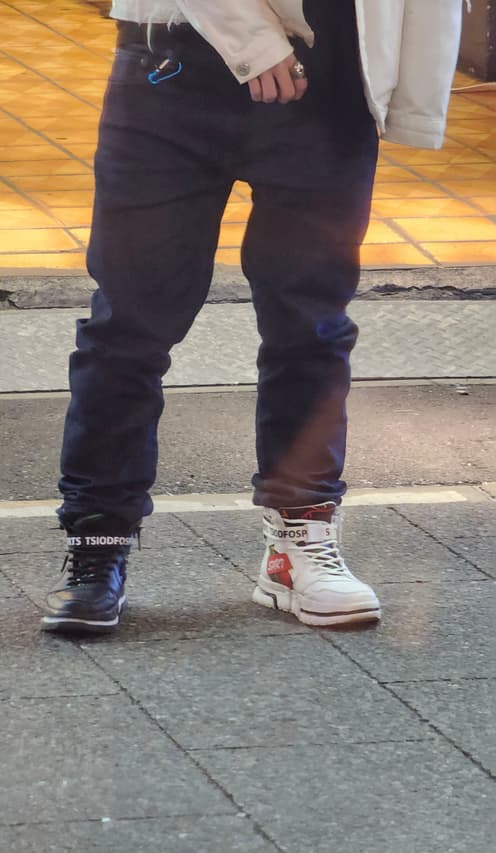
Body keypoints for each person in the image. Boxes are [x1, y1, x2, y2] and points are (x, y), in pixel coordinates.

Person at [42, 1, 465, 633]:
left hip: (333, 78)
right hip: (174, 65)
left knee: (311, 325)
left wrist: (410, 87)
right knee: (130, 325)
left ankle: (300, 540)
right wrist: (252, 40)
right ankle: (97, 546)